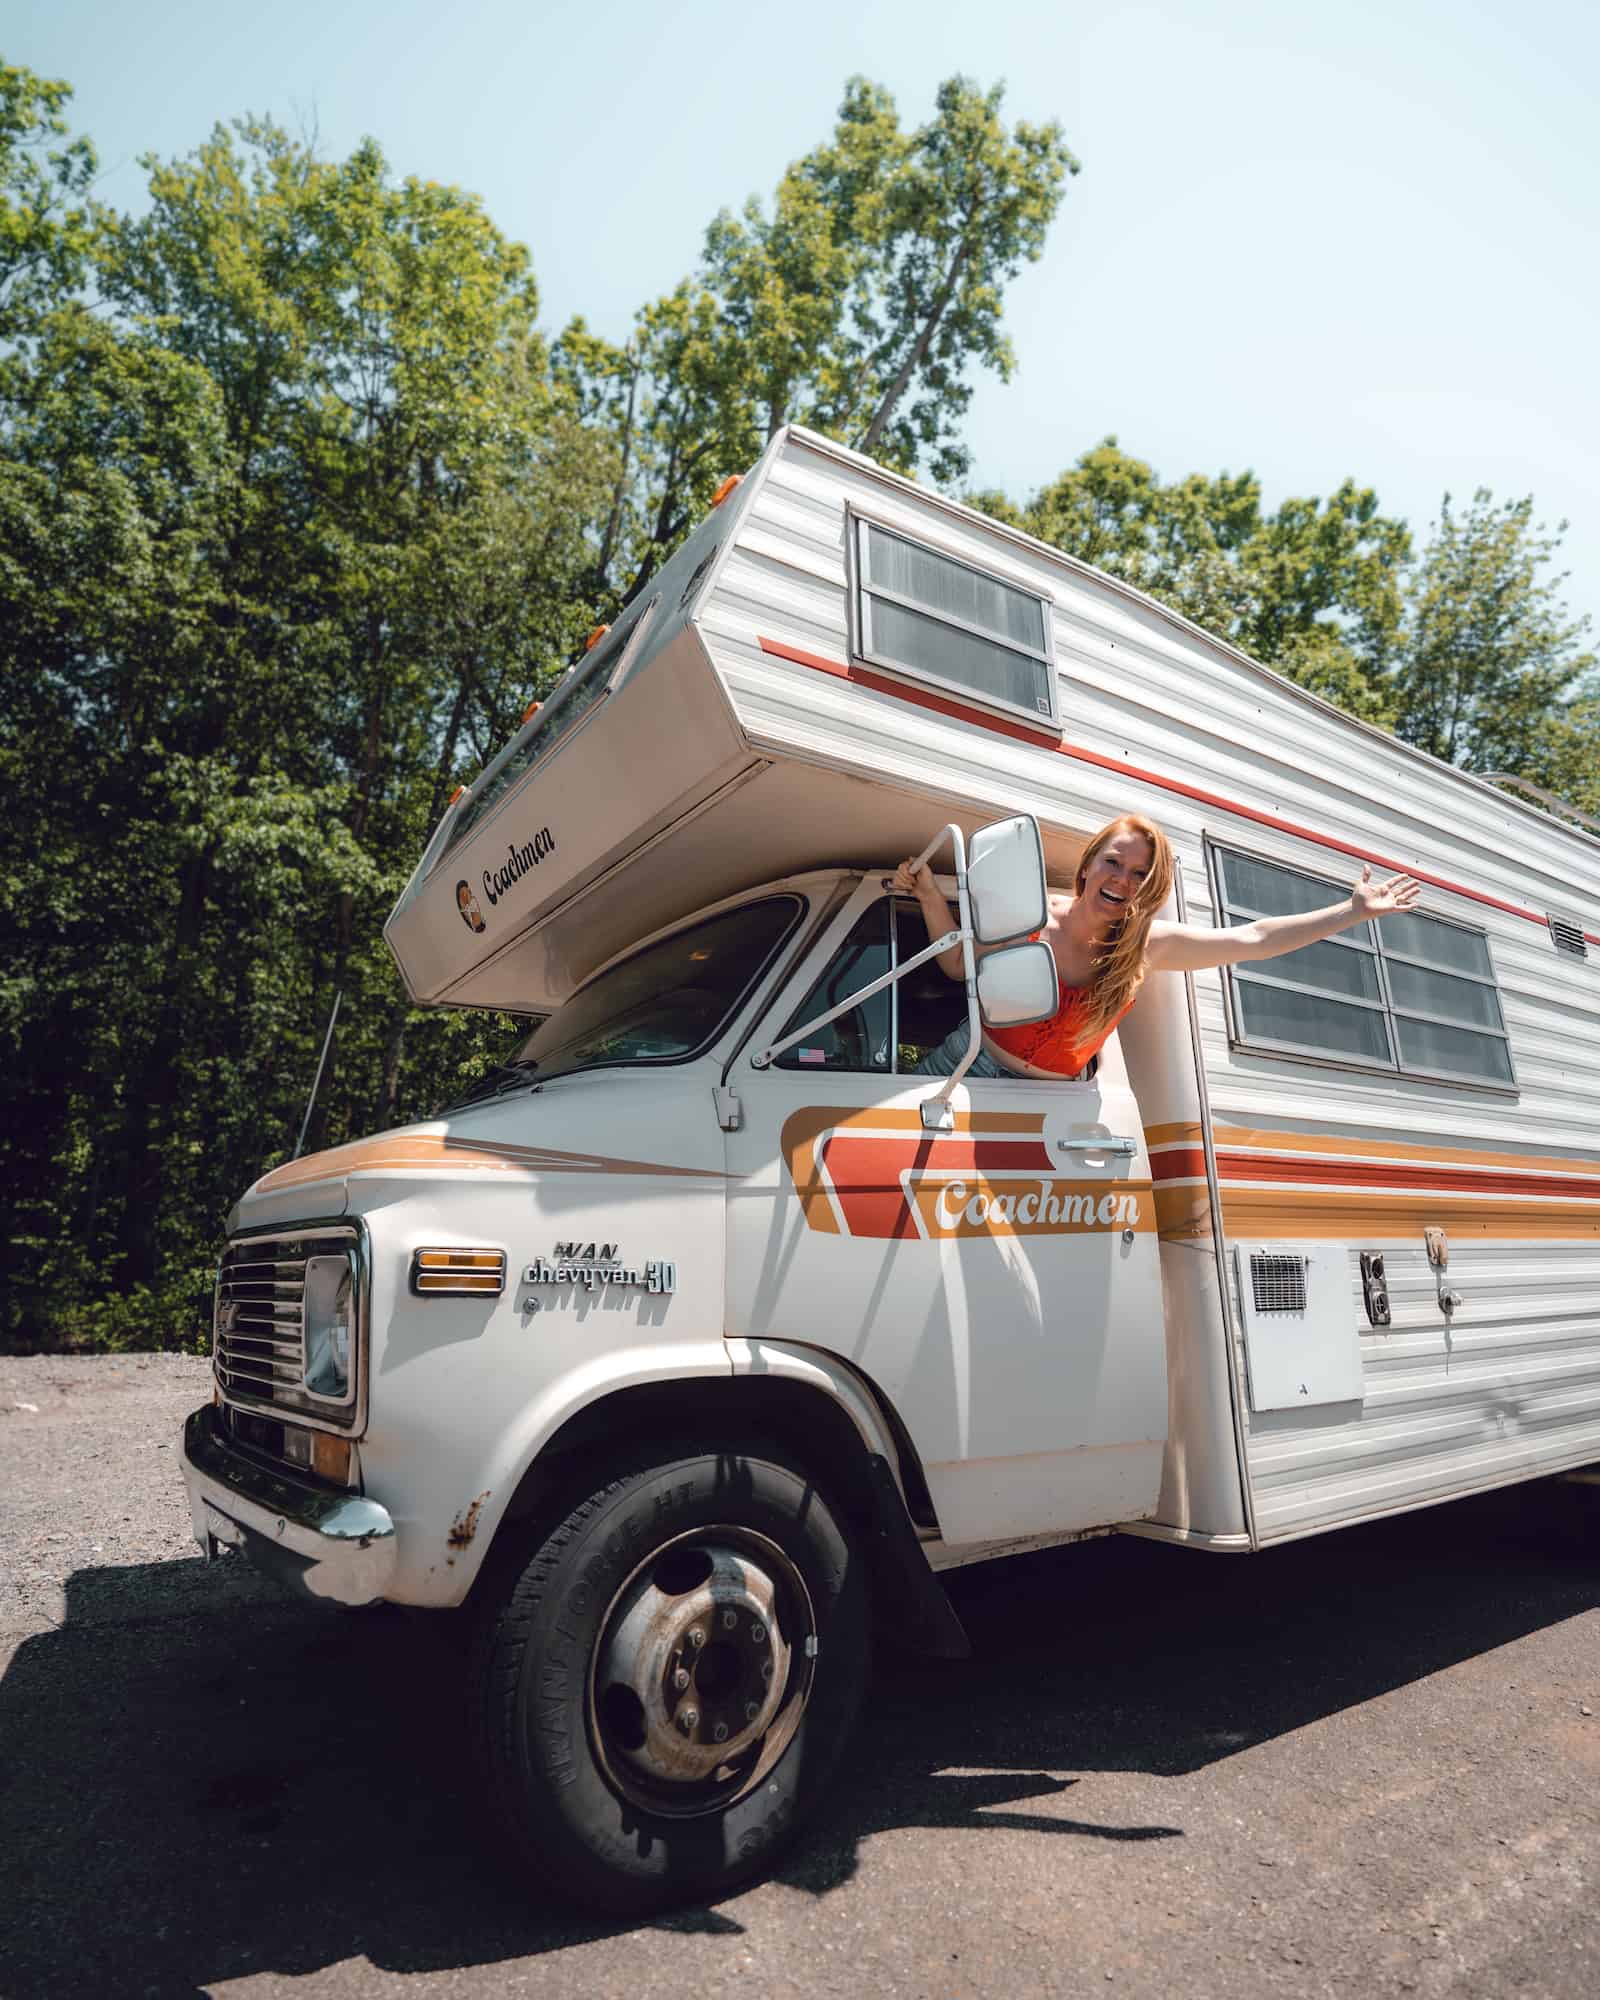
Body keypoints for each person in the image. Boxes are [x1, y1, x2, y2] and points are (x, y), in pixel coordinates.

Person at [893, 812, 1421, 1080]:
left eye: (1140, 874)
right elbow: (959, 964)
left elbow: (1252, 939)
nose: (1123, 880)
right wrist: (929, 897)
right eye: (1114, 863)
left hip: (1055, 1100)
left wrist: (1350, 912)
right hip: (967, 1067)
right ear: (1088, 866)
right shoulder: (1029, 915)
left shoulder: (1145, 946)